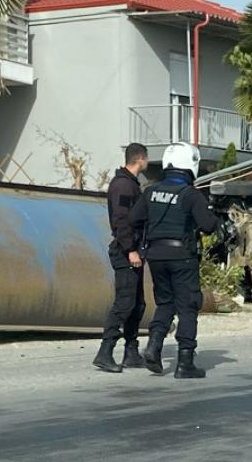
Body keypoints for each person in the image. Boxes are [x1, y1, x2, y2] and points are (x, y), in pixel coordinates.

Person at [129, 142, 220, 378]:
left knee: (165, 303)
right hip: (182, 257)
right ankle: (185, 362)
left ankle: (154, 346)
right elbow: (209, 225)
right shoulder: (191, 194)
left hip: (156, 256)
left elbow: (134, 219)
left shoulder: (150, 191)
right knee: (188, 306)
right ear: (190, 164)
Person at [92, 143, 149, 373]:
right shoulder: (123, 185)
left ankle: (131, 352)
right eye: (146, 159)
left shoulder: (131, 183)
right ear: (140, 159)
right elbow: (121, 220)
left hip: (133, 251)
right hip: (125, 252)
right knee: (124, 303)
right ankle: (105, 352)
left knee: (137, 304)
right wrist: (130, 249)